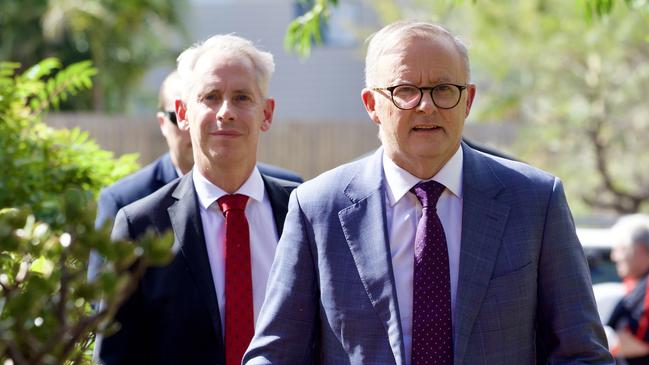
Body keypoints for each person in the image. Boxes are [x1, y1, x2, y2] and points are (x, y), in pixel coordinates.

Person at [244, 20, 612, 364]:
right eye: (405, 90)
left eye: (443, 89)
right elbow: (276, 353)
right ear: (372, 105)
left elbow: (581, 352)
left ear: (467, 100)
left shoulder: (534, 201)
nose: (426, 105)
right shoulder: (318, 207)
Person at [96, 34, 299, 365]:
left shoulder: (304, 211)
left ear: (266, 113)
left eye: (242, 97)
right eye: (210, 97)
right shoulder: (140, 226)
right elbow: (115, 357)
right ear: (183, 113)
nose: (226, 112)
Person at [608, 214, 649, 364]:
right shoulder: (637, 284)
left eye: (620, 248)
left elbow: (641, 342)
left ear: (639, 250)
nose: (614, 256)